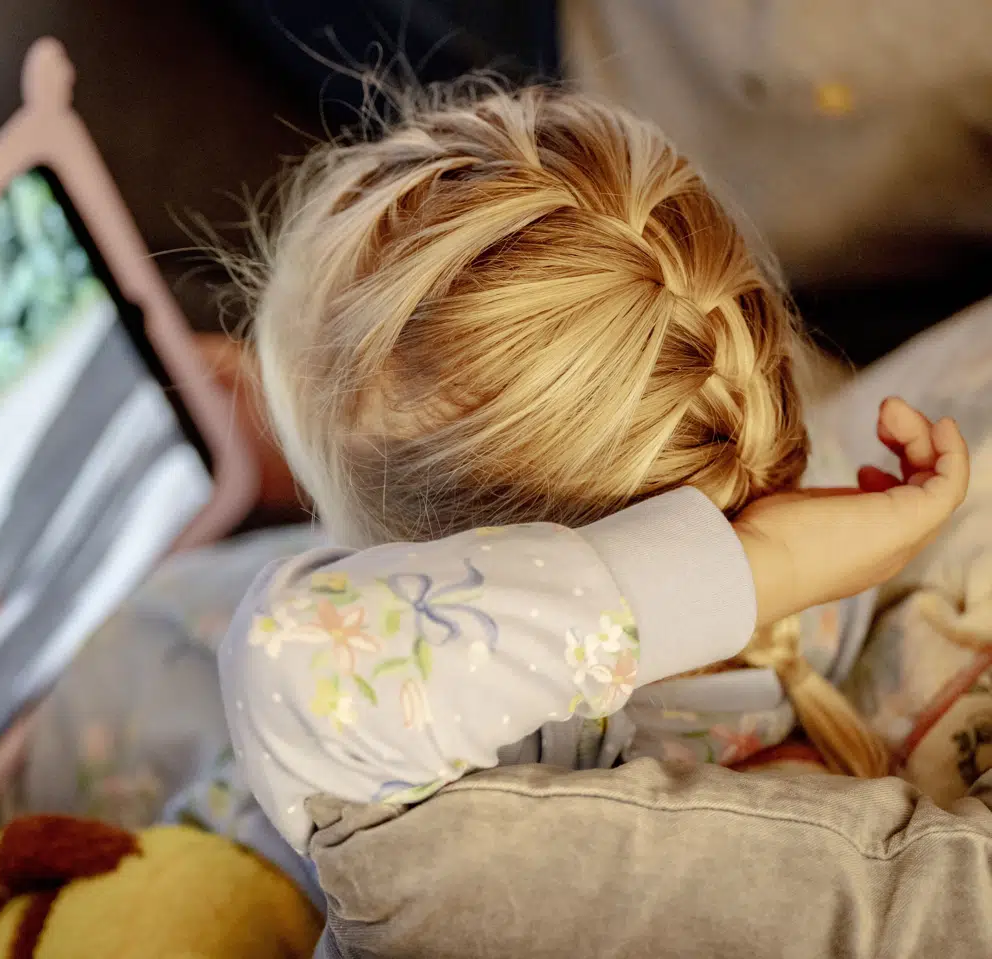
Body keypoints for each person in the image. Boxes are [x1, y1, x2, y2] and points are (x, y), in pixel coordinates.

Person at [214, 81, 972, 851]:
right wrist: (762, 563)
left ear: (438, 559)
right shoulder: (826, 491)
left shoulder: (528, 773)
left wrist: (761, 563)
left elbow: (296, 658)